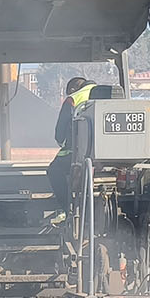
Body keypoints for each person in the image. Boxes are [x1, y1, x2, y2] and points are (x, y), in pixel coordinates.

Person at [48, 76, 96, 208]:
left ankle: (67, 207)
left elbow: (60, 132)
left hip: (81, 152)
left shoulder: (73, 98)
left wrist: (62, 142)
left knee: (53, 170)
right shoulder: (108, 94)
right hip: (110, 156)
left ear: (73, 89)